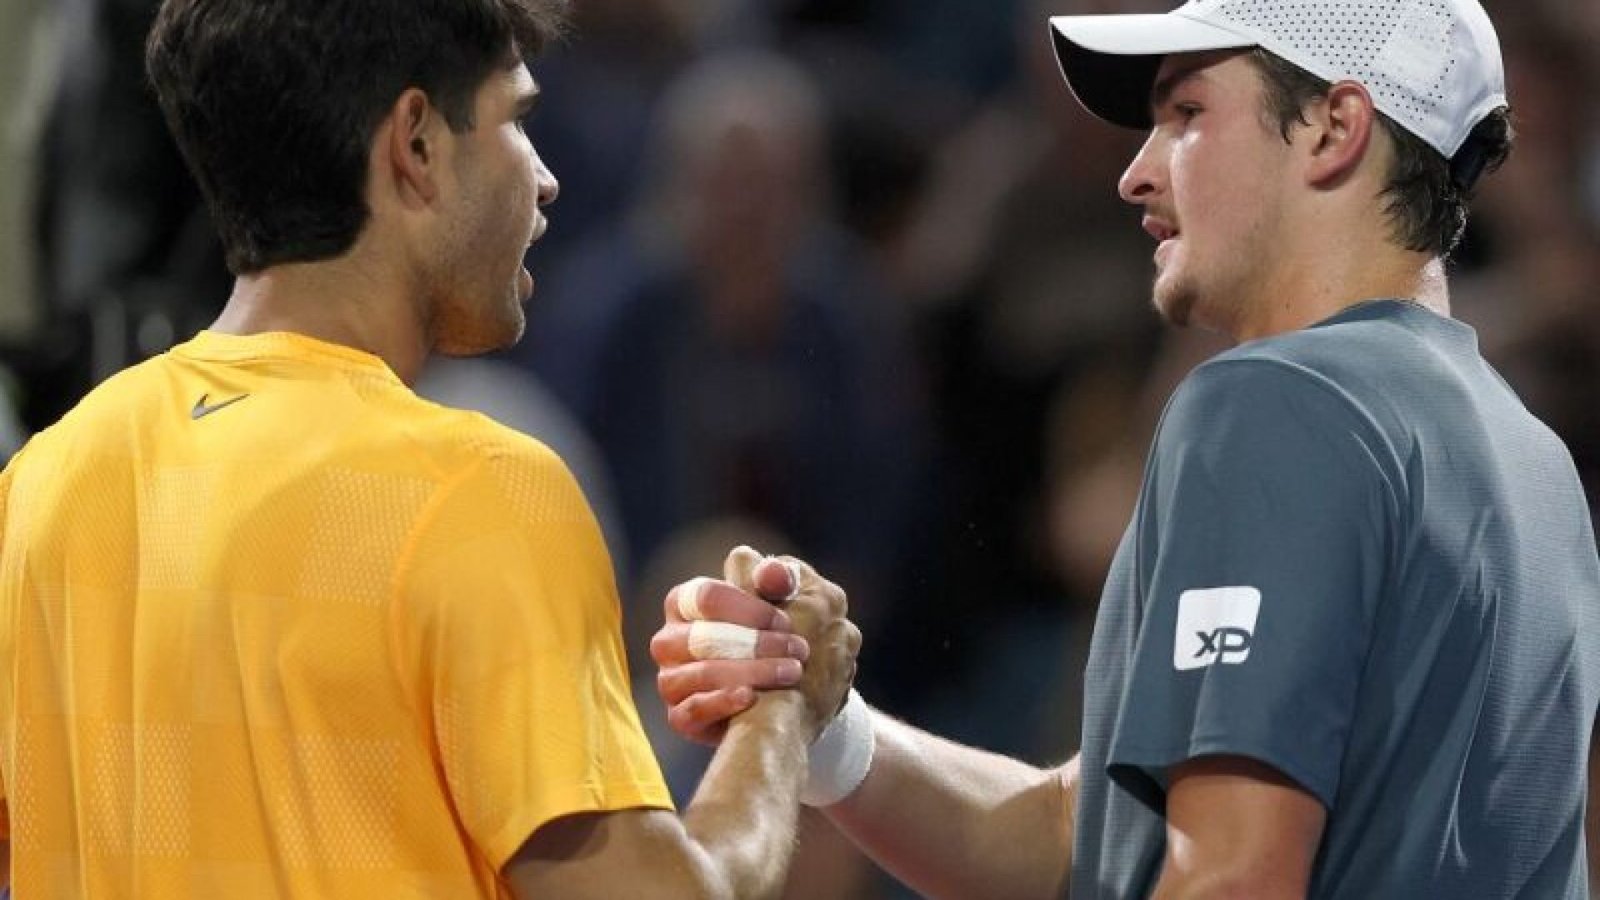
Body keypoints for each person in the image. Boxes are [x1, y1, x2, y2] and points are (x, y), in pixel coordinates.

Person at [651, 0, 1600, 896]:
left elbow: (1229, 876)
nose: (1135, 171)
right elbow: (1090, 841)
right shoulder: (1537, 465)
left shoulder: (1276, 401)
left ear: (1331, 128)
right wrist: (831, 725)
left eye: (1187, 111)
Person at [0, 0, 859, 897]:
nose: (548, 178)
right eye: (518, 121)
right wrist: (782, 715)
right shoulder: (482, 493)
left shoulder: (44, 482)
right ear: (415, 143)